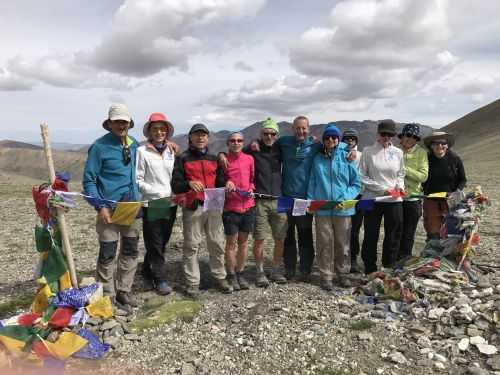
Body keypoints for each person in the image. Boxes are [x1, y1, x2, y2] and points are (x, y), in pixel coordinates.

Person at [83, 103, 141, 312]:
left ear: (129, 124)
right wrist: (100, 206)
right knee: (108, 252)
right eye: (117, 121)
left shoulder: (134, 145)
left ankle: (124, 291)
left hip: (132, 207)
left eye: (124, 121)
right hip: (108, 208)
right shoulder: (99, 147)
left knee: (130, 250)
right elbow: (89, 180)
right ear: (109, 123)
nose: (121, 125)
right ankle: (108, 295)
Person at [171, 123, 232, 297]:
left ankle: (220, 276)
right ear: (190, 138)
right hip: (193, 207)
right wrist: (188, 184)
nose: (200, 138)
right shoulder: (182, 159)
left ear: (208, 138)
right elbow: (175, 185)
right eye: (197, 135)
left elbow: (221, 179)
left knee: (216, 243)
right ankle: (193, 283)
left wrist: (227, 182)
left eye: (203, 135)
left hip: (213, 205)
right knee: (192, 245)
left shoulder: (214, 159)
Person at [307, 125, 361, 290]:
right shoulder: (317, 159)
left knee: (342, 242)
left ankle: (343, 274)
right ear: (324, 140)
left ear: (338, 140)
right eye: (328, 137)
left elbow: (356, 184)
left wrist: (345, 197)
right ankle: (326, 275)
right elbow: (313, 182)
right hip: (322, 208)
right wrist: (310, 201)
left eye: (334, 137)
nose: (331, 140)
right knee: (324, 242)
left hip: (343, 208)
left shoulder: (347, 158)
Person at [275, 116, 322, 281]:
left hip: (305, 199)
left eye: (303, 128)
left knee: (305, 235)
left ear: (308, 129)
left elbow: (335, 148)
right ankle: (289, 268)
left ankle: (305, 269)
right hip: (286, 197)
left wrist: (350, 151)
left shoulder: (316, 145)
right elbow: (265, 147)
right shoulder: (283, 142)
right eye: (297, 128)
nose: (300, 131)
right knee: (287, 235)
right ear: (292, 129)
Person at [136, 112, 178, 295]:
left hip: (171, 202)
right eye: (155, 129)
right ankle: (160, 279)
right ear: (149, 132)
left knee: (163, 241)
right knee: (155, 241)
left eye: (163, 129)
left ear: (167, 131)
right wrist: (158, 192)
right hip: (154, 202)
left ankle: (146, 269)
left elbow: (176, 174)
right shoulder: (142, 151)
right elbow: (138, 179)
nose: (159, 132)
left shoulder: (172, 151)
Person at [244, 118, 287, 287]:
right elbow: (235, 152)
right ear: (260, 134)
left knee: (280, 238)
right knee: (259, 239)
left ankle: (276, 270)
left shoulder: (281, 149)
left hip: (280, 200)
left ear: (276, 135)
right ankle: (260, 272)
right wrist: (221, 154)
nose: (269, 136)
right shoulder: (252, 149)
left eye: (272, 133)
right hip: (260, 200)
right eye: (265, 133)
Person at [359, 120, 405, 274]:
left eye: (390, 135)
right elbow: (362, 176)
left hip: (394, 199)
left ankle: (389, 266)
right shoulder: (367, 151)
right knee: (371, 233)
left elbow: (401, 174)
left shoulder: (398, 152)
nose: (386, 137)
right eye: (383, 134)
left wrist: (400, 186)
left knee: (393, 234)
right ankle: (369, 268)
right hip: (372, 199)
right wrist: (383, 190)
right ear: (378, 133)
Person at [222, 132, 256, 291]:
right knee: (231, 244)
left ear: (243, 143)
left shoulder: (249, 159)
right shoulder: (223, 160)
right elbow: (219, 180)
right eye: (233, 140)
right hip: (231, 208)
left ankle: (240, 273)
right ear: (228, 143)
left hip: (248, 206)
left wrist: (251, 188)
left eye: (239, 140)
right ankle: (231, 275)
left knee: (243, 242)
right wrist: (225, 183)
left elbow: (252, 180)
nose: (236, 143)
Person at [422, 131, 466, 239]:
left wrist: (456, 192)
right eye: (436, 143)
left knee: (451, 229)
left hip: (450, 200)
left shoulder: (455, 159)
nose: (440, 146)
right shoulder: (425, 159)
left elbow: (463, 179)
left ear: (447, 145)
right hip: (431, 200)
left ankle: (449, 254)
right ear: (431, 146)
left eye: (443, 143)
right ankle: (432, 253)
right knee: (433, 231)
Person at [396, 124, 428, 261]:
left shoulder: (421, 153)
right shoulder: (394, 151)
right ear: (402, 136)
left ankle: (404, 260)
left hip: (413, 199)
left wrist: (405, 169)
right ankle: (391, 261)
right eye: (408, 135)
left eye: (414, 137)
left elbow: (423, 176)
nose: (410, 139)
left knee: (409, 233)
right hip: (395, 198)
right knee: (395, 231)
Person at [341, 129, 363, 273]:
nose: (350, 141)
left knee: (354, 230)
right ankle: (341, 258)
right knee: (342, 229)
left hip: (358, 197)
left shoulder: (361, 155)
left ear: (356, 141)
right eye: (347, 139)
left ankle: (353, 259)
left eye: (352, 139)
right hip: (342, 196)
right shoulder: (338, 155)